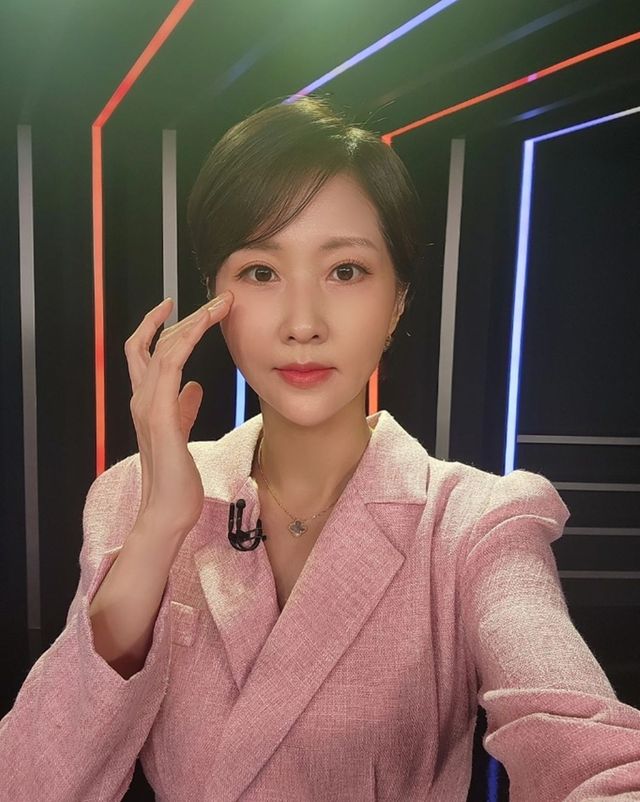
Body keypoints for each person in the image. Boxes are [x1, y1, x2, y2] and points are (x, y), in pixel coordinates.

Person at [1, 94, 639, 802]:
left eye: (345, 271)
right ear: (214, 298)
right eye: (261, 272)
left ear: (398, 300)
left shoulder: (473, 523)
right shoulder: (133, 494)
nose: (302, 323)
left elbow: (585, 750)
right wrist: (158, 530)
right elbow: (29, 784)